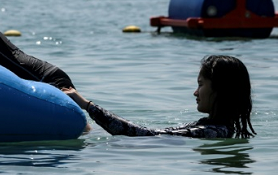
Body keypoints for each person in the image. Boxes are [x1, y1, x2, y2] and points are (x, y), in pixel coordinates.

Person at [63, 55, 256, 138]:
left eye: (200, 84)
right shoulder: (210, 126)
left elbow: (145, 137)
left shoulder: (212, 133)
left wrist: (87, 105)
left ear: (219, 90)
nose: (195, 92)